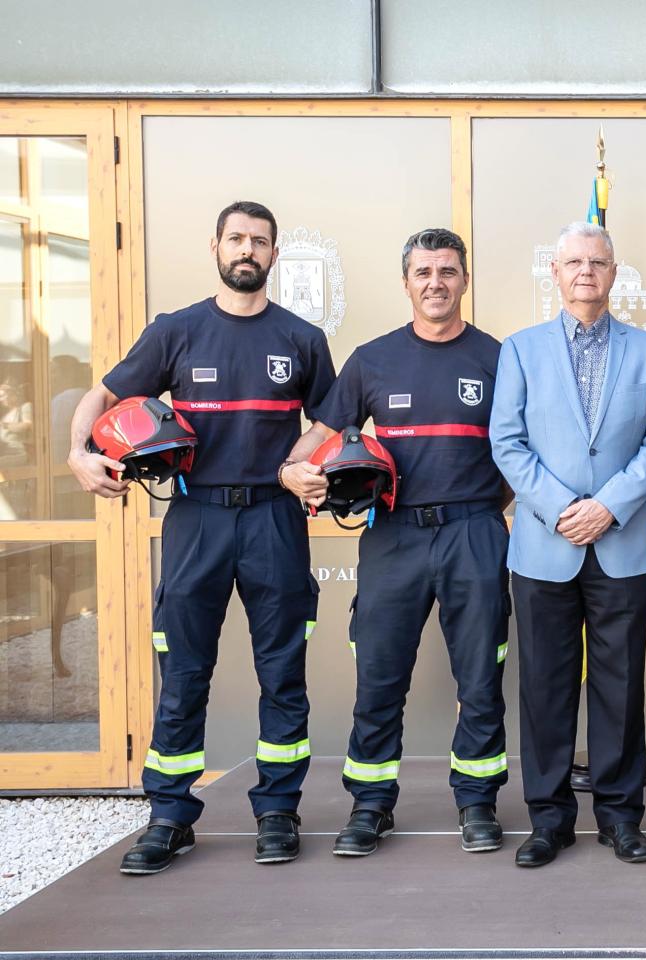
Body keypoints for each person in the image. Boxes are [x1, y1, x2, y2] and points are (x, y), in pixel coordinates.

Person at [67, 201, 335, 874]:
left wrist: (306, 468)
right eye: (237, 238)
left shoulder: (303, 339)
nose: (248, 249)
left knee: (283, 675)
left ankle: (278, 811)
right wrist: (78, 453)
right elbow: (99, 399)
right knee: (183, 674)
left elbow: (332, 424)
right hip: (197, 519)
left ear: (274, 255)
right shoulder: (175, 332)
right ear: (215, 245)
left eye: (260, 241)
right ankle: (169, 817)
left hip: (275, 519)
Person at [277, 228, 512, 859]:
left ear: (465, 279)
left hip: (474, 531)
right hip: (393, 536)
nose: (436, 282)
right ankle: (370, 805)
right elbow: (318, 437)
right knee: (379, 676)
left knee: (481, 678)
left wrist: (481, 512)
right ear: (405, 281)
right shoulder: (372, 360)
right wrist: (289, 471)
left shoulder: (499, 358)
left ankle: (478, 802)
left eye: (447, 271)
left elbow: (521, 455)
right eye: (423, 272)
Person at [490, 221, 646, 867]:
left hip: (620, 543)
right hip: (545, 544)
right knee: (544, 686)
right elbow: (507, 442)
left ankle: (622, 817)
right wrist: (566, 507)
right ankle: (549, 820)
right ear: (556, 273)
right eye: (573, 262)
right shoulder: (520, 349)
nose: (586, 272)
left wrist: (608, 507)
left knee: (620, 689)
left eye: (597, 262)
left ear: (614, 273)